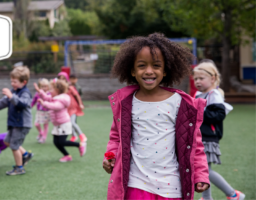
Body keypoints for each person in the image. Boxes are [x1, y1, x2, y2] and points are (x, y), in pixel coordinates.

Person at [102, 33, 210, 200]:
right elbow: (116, 137)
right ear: (132, 70)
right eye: (142, 65)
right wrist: (111, 156)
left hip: (171, 186)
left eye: (156, 65)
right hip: (136, 183)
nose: (149, 71)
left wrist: (200, 174)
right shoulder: (125, 103)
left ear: (165, 70)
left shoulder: (180, 103)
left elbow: (194, 144)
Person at [193, 61, 245, 200]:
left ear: (213, 79)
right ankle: (206, 197)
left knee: (205, 171)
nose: (197, 81)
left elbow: (218, 115)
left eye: (201, 78)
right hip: (198, 138)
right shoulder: (198, 94)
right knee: (202, 170)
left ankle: (233, 194)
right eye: (196, 78)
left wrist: (199, 111)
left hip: (208, 138)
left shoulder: (214, 95)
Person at [0, 66, 33, 175]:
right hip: (14, 123)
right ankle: (26, 155)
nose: (12, 84)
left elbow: (22, 104)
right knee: (7, 141)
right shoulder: (14, 91)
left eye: (15, 82)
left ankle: (19, 168)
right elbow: (3, 101)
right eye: (11, 81)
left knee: (14, 146)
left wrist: (11, 96)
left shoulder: (25, 93)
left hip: (22, 124)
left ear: (24, 82)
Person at [33, 79, 86, 162]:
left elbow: (55, 106)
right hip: (57, 124)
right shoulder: (54, 97)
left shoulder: (62, 100)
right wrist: (40, 92)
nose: (49, 91)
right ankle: (67, 155)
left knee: (61, 142)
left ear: (57, 90)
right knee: (56, 142)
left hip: (64, 124)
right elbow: (46, 97)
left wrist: (44, 104)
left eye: (51, 89)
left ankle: (80, 144)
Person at [57, 72, 87, 143]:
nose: (62, 80)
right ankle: (74, 135)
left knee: (72, 123)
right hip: (65, 109)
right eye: (60, 79)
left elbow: (77, 96)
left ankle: (82, 135)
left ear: (66, 79)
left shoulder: (70, 87)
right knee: (68, 123)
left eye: (63, 78)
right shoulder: (59, 89)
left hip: (73, 108)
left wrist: (80, 104)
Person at [31, 78, 51, 143]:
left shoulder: (49, 94)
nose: (44, 88)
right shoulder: (37, 93)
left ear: (48, 87)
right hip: (39, 111)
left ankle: (44, 138)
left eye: (46, 86)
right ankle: (41, 133)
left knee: (45, 125)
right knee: (36, 124)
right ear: (39, 87)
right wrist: (30, 106)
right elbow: (33, 101)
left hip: (47, 111)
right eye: (42, 86)